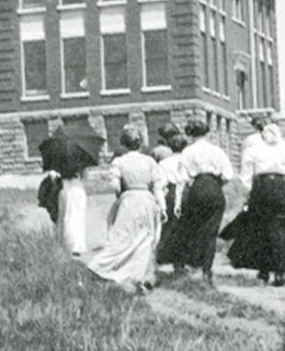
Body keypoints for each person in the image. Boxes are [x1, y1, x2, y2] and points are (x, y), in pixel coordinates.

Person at [224, 121, 285, 285]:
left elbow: (245, 177)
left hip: (261, 188)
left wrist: (250, 194)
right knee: (281, 227)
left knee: (260, 227)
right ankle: (279, 270)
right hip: (280, 188)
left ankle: (264, 269)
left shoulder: (253, 151)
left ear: (262, 135)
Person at [85, 126, 163, 291]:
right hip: (146, 200)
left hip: (128, 200)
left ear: (124, 143)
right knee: (144, 239)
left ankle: (102, 266)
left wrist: (122, 194)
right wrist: (161, 207)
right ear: (140, 143)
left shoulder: (119, 162)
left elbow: (114, 185)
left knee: (122, 236)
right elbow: (157, 186)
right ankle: (138, 276)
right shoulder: (149, 161)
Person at [164, 118, 233, 285]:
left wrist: (179, 203)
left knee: (195, 227)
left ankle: (195, 263)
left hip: (197, 188)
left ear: (189, 134)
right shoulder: (217, 151)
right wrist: (216, 184)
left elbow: (181, 179)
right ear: (206, 132)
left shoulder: (188, 152)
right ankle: (207, 270)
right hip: (214, 188)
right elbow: (228, 175)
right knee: (211, 232)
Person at [39, 125, 98, 257]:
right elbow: (85, 176)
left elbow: (53, 174)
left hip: (64, 186)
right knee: (78, 216)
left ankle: (66, 244)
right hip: (77, 187)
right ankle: (78, 245)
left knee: (66, 215)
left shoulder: (57, 155)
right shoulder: (79, 155)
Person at [154, 132, 190, 268]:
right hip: (188, 193)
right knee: (186, 227)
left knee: (171, 228)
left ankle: (171, 259)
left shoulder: (164, 163)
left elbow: (159, 185)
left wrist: (162, 207)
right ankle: (182, 261)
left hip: (172, 193)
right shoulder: (189, 161)